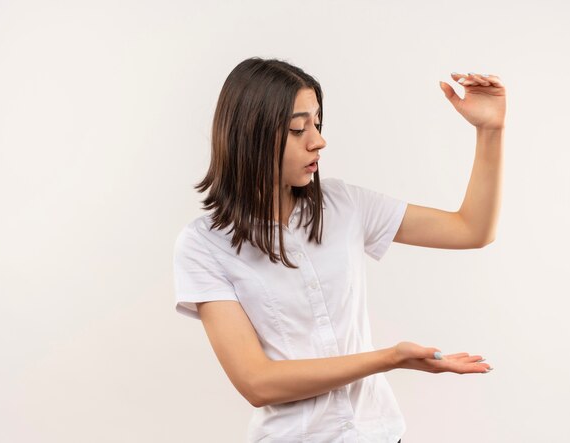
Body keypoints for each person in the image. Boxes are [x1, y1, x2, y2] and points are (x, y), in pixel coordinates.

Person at [173, 57, 506, 443]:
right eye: (298, 128)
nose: (318, 140)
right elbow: (256, 382)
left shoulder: (343, 204)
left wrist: (490, 130)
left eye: (317, 123)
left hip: (381, 433)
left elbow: (472, 229)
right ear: (252, 136)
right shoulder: (204, 245)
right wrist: (389, 358)